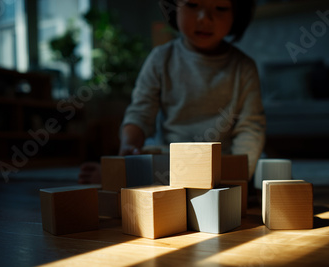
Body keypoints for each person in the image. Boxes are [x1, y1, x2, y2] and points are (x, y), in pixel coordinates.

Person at [79, 0, 265, 184]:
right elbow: (140, 113)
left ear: (237, 14)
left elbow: (250, 128)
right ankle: (118, 176)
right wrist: (129, 145)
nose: (205, 18)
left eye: (221, 8)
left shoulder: (244, 68)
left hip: (222, 164)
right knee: (147, 170)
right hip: (169, 162)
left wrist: (241, 175)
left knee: (269, 173)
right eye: (193, 5)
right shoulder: (160, 59)